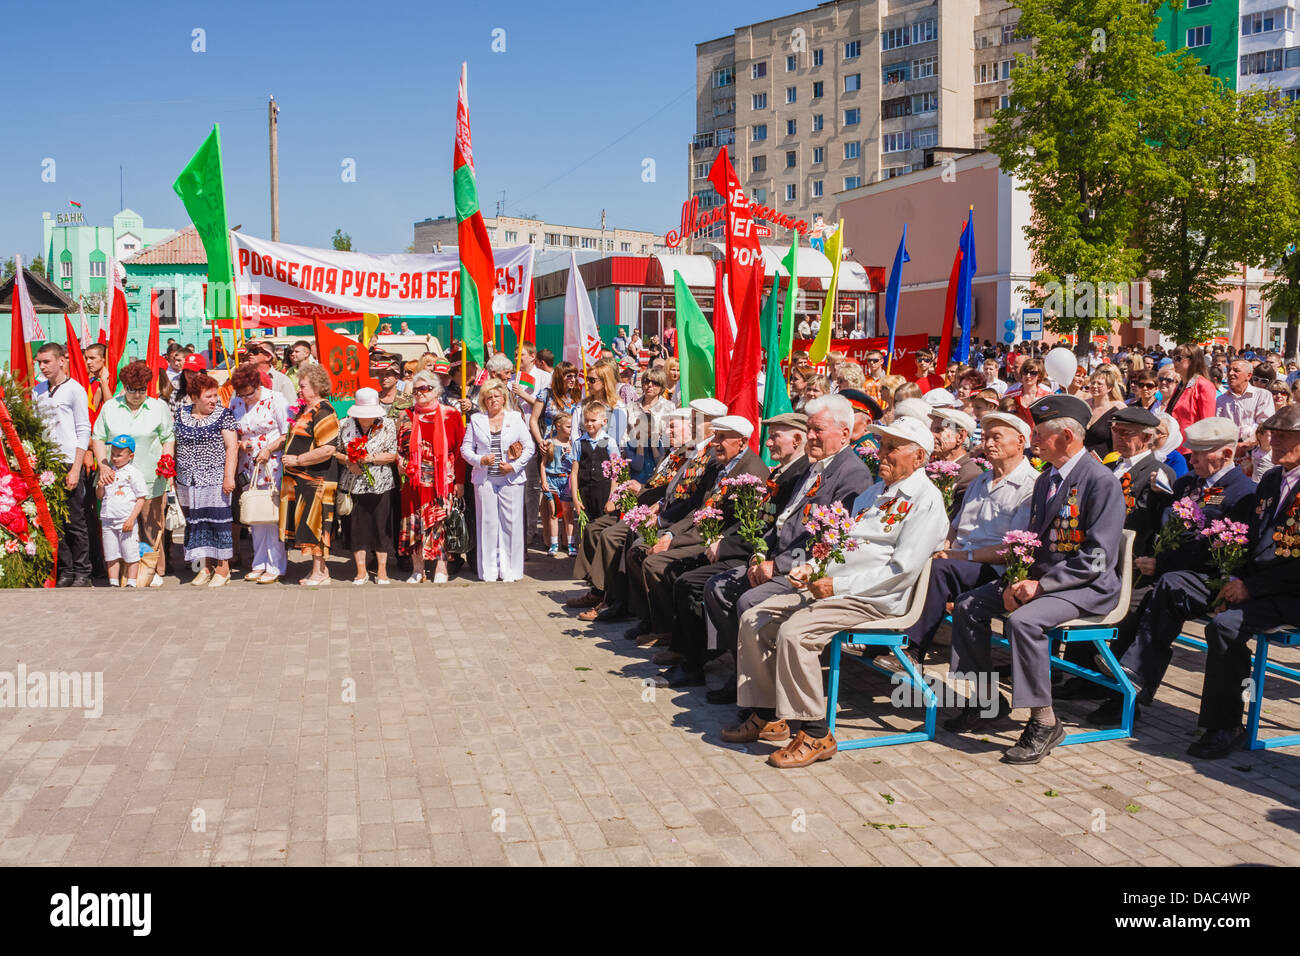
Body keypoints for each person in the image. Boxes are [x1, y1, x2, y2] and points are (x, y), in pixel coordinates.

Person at [720, 416, 948, 768]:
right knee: (755, 617)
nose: (881, 454)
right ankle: (768, 715)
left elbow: (901, 571)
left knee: (796, 632)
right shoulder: (874, 493)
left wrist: (835, 584)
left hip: (874, 600)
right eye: (882, 445)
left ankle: (815, 732)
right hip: (835, 589)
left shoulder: (926, 500)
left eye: (891, 448)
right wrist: (810, 568)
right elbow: (839, 545)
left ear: (919, 457)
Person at [946, 395, 1126, 765]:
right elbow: (1032, 542)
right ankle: (985, 699)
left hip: (1085, 587)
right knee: (969, 605)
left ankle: (1044, 721)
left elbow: (1097, 557)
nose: (1035, 442)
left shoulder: (1099, 481)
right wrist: (1018, 579)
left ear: (1066, 436)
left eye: (1041, 434)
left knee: (1024, 622)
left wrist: (1040, 586)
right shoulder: (1047, 479)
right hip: (1042, 580)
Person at [1086, 417, 1257, 725]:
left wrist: (1162, 564)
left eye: (1202, 453)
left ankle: (1132, 679)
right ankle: (1121, 696)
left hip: (1209, 580)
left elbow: (1219, 550)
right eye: (1192, 451)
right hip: (1170, 575)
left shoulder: (1241, 492)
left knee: (1168, 586)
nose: (1193, 458)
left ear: (1227, 455)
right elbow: (1166, 528)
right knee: (1134, 601)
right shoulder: (1188, 483)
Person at [701, 396, 874, 673]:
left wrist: (778, 566)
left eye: (818, 430)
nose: (811, 436)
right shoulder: (813, 466)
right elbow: (781, 520)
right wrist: (759, 553)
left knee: (749, 601)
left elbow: (826, 543)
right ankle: (744, 670)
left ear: (843, 434)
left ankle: (759, 683)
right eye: (810, 429)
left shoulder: (852, 474)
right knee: (717, 587)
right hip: (778, 558)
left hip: (805, 570)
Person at [657, 412, 812, 693]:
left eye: (776, 436)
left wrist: (730, 546)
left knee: (693, 584)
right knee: (681, 576)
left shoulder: (795, 474)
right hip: (750, 550)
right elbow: (761, 522)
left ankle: (708, 663)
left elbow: (768, 526)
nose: (769, 443)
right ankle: (693, 654)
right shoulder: (783, 471)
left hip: (758, 556)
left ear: (796, 439)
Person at [1185, 405, 1300, 758]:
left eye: (1284, 435)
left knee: (1226, 627)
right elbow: (1251, 538)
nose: (1274, 441)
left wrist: (1250, 589)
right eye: (1272, 433)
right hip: (1263, 587)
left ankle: (1225, 725)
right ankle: (1222, 719)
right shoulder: (1270, 479)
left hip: (1293, 593)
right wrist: (1233, 579)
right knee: (1216, 615)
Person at [622, 415, 770, 647]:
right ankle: (660, 625)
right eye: (716, 436)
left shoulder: (752, 471)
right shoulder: (722, 465)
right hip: (699, 532)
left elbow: (731, 524)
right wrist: (671, 535)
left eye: (722, 438)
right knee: (641, 549)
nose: (715, 443)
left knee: (656, 563)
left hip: (717, 542)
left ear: (742, 442)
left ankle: (673, 634)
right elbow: (700, 508)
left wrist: (674, 541)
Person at [905, 412, 1037, 659]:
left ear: (1020, 441)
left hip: (993, 569)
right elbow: (955, 527)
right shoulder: (982, 479)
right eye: (985, 437)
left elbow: (1013, 550)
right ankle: (884, 637)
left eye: (996, 437)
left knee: (939, 569)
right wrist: (941, 549)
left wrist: (959, 555)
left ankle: (912, 650)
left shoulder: (1030, 486)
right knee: (918, 558)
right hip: (961, 559)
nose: (988, 444)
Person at [93, 360, 175, 588]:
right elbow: (98, 436)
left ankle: (153, 571)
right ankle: (121, 574)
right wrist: (103, 465)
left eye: (142, 390)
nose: (137, 395)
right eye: (132, 389)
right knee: (119, 529)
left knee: (151, 527)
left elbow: (168, 437)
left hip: (150, 478)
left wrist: (167, 460)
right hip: (115, 479)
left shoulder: (158, 407)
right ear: (124, 386)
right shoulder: (111, 407)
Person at [460, 378, 535, 582]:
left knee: (511, 524)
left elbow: (529, 447)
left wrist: (514, 466)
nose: (493, 400)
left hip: (511, 478)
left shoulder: (516, 418)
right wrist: (480, 460)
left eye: (497, 396)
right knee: (488, 523)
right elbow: (465, 449)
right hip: (485, 479)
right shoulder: (476, 420)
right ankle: (489, 571)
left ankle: (511, 570)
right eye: (489, 397)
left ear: (504, 398)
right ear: (484, 400)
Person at [33, 343, 93, 587]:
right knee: (54, 522)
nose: (42, 366)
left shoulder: (74, 390)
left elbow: (83, 429)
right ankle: (65, 570)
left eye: (47, 361)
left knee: (75, 521)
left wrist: (76, 468)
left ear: (61, 361)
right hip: (47, 464)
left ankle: (83, 572)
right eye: (40, 362)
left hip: (69, 462)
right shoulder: (38, 390)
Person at [398, 371, 465, 584]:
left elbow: (460, 451)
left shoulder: (450, 414)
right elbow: (399, 448)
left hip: (442, 481)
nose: (420, 393)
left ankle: (441, 567)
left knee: (440, 523)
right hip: (414, 481)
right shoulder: (406, 415)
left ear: (436, 391)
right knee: (415, 524)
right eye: (416, 389)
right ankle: (418, 569)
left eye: (424, 388)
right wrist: (400, 463)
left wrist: (460, 482)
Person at [280, 363, 341, 587]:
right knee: (308, 525)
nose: (299, 390)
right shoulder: (305, 410)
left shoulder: (324, 411)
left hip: (318, 479)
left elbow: (327, 449)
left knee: (318, 524)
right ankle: (316, 569)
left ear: (316, 387)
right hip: (302, 480)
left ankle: (321, 571)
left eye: (303, 386)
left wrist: (298, 460)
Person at [173, 374, 238, 587]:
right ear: (194, 397)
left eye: (214, 396)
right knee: (196, 524)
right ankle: (205, 567)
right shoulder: (180, 415)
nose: (213, 400)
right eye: (207, 396)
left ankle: (223, 568)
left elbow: (232, 447)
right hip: (186, 480)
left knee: (217, 522)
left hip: (214, 479)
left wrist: (228, 476)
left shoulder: (223, 415)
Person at [228, 362, 289, 585]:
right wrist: (241, 445)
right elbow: (233, 432)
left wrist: (268, 448)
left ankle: (276, 564)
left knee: (271, 515)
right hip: (248, 466)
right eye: (242, 395)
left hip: (271, 464)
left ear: (257, 385)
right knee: (255, 514)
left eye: (249, 393)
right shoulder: (235, 402)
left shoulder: (275, 399)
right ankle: (259, 562)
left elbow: (286, 433)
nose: (246, 399)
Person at [335, 387, 399, 585]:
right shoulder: (344, 424)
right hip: (354, 484)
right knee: (357, 528)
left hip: (381, 484)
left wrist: (369, 458)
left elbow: (392, 454)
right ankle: (361, 571)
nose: (366, 419)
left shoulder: (387, 424)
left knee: (381, 528)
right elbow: (335, 451)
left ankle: (381, 571)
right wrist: (349, 461)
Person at [98, 435, 148, 587]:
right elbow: (100, 496)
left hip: (125, 520)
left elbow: (141, 498)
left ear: (130, 456)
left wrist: (132, 519)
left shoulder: (133, 473)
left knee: (130, 553)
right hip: (108, 518)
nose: (114, 458)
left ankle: (131, 582)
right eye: (112, 453)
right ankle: (113, 582)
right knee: (111, 554)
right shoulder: (108, 472)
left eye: (119, 455)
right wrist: (100, 486)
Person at [1217, 358, 1276, 472]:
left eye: (1236, 370)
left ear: (1248, 376)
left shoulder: (1262, 395)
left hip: (1256, 452)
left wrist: (1245, 444)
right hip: (1229, 453)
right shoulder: (1221, 399)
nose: (1230, 374)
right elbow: (1218, 427)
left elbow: (1264, 426)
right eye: (1229, 370)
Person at [541, 410, 577, 556]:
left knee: (568, 512)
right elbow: (543, 464)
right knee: (554, 513)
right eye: (568, 426)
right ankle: (554, 543)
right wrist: (543, 480)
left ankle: (571, 543)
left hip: (567, 480)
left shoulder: (573, 444)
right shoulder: (550, 443)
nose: (571, 430)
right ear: (558, 426)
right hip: (552, 479)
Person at [1165, 344, 1216, 446]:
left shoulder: (1204, 385)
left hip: (1191, 448)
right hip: (1174, 445)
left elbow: (1207, 422)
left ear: (1193, 360)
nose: (1174, 361)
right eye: (1174, 358)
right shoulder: (1180, 384)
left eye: (1179, 358)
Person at [1083, 367, 1129, 457]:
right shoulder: (1084, 404)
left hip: (1105, 463)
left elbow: (1119, 444)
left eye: (1099, 384)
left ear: (1109, 388)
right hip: (1081, 460)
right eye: (1093, 383)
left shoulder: (1118, 408)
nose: (1094, 386)